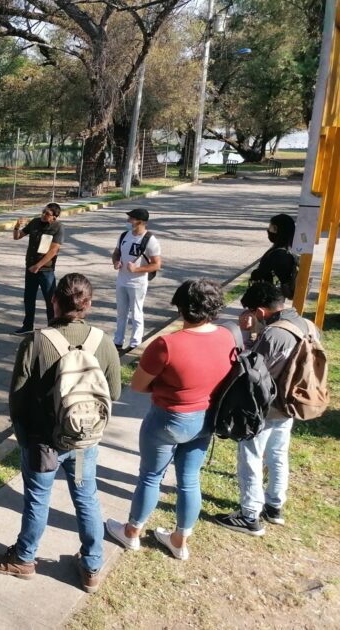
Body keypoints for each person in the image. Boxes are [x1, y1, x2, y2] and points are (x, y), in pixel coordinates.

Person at [0, 273, 121, 593]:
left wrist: (23, 435)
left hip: (43, 443)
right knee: (86, 498)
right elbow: (113, 392)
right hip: (83, 441)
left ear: (54, 301)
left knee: (37, 500)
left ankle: (24, 558)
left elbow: (16, 398)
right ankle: (91, 565)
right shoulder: (103, 342)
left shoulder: (35, 342)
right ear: (88, 303)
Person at [107, 279, 237, 560]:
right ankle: (180, 539)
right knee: (189, 480)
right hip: (205, 419)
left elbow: (139, 386)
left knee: (151, 476)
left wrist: (166, 386)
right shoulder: (227, 337)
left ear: (181, 308)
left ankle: (132, 532)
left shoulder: (166, 344)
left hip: (167, 419)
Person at [214, 282, 319, 535]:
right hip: (291, 402)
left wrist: (247, 335)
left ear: (260, 312)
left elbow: (251, 370)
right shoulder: (307, 325)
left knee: (250, 457)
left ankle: (249, 515)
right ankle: (274, 505)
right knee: (278, 454)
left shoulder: (273, 334)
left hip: (264, 407)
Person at [111, 208, 162, 350]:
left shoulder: (150, 240)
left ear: (139, 221)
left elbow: (156, 264)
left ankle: (134, 343)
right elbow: (116, 253)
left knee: (136, 313)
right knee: (121, 313)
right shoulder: (123, 236)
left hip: (138, 283)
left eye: (131, 218)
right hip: (122, 280)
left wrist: (137, 269)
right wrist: (116, 262)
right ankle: (118, 341)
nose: (128, 221)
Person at [12, 202, 64, 334]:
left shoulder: (58, 228)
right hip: (30, 268)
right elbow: (17, 237)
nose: (43, 215)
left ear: (54, 217)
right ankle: (27, 325)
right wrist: (17, 226)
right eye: (43, 211)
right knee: (29, 298)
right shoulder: (35, 222)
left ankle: (52, 328)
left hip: (46, 271)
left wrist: (38, 266)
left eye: (47, 214)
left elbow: (54, 250)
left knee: (50, 300)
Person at [250, 213, 297, 294]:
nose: (268, 230)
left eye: (270, 227)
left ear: (276, 229)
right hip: (273, 297)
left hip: (269, 298)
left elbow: (268, 273)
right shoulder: (286, 249)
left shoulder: (278, 254)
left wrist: (255, 274)